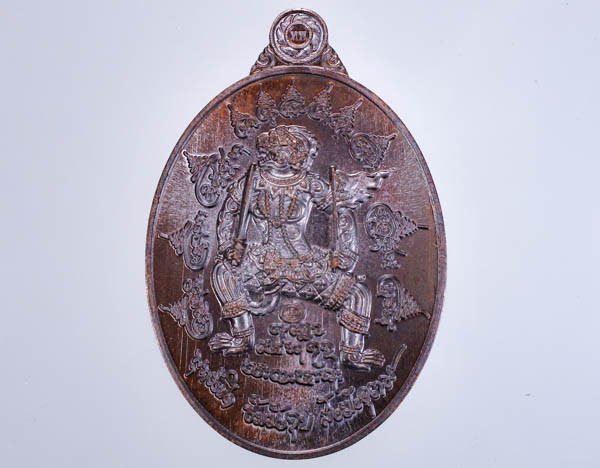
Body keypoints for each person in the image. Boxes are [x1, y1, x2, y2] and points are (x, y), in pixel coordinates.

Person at [209, 125, 388, 370]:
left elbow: (342, 214)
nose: (276, 153)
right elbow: (229, 213)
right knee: (222, 271)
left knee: (358, 294)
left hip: (304, 266)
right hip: (262, 264)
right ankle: (242, 337)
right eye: (273, 147)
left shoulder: (309, 183)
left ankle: (352, 353)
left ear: (298, 152)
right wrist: (228, 247)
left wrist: (344, 254)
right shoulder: (252, 182)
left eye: (284, 148)